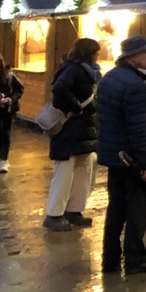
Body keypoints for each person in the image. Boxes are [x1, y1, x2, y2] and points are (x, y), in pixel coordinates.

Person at [96, 35, 146, 274]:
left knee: (116, 209)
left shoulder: (109, 78)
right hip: (132, 160)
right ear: (132, 57)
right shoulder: (134, 85)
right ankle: (136, 259)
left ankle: (110, 258)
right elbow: (140, 129)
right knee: (138, 211)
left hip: (115, 157)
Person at [43, 39, 102, 232]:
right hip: (69, 130)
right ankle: (54, 214)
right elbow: (59, 88)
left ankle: (74, 210)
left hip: (82, 130)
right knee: (65, 172)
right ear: (88, 53)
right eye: (95, 52)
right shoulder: (74, 69)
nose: (98, 55)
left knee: (83, 170)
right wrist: (76, 107)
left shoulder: (87, 71)